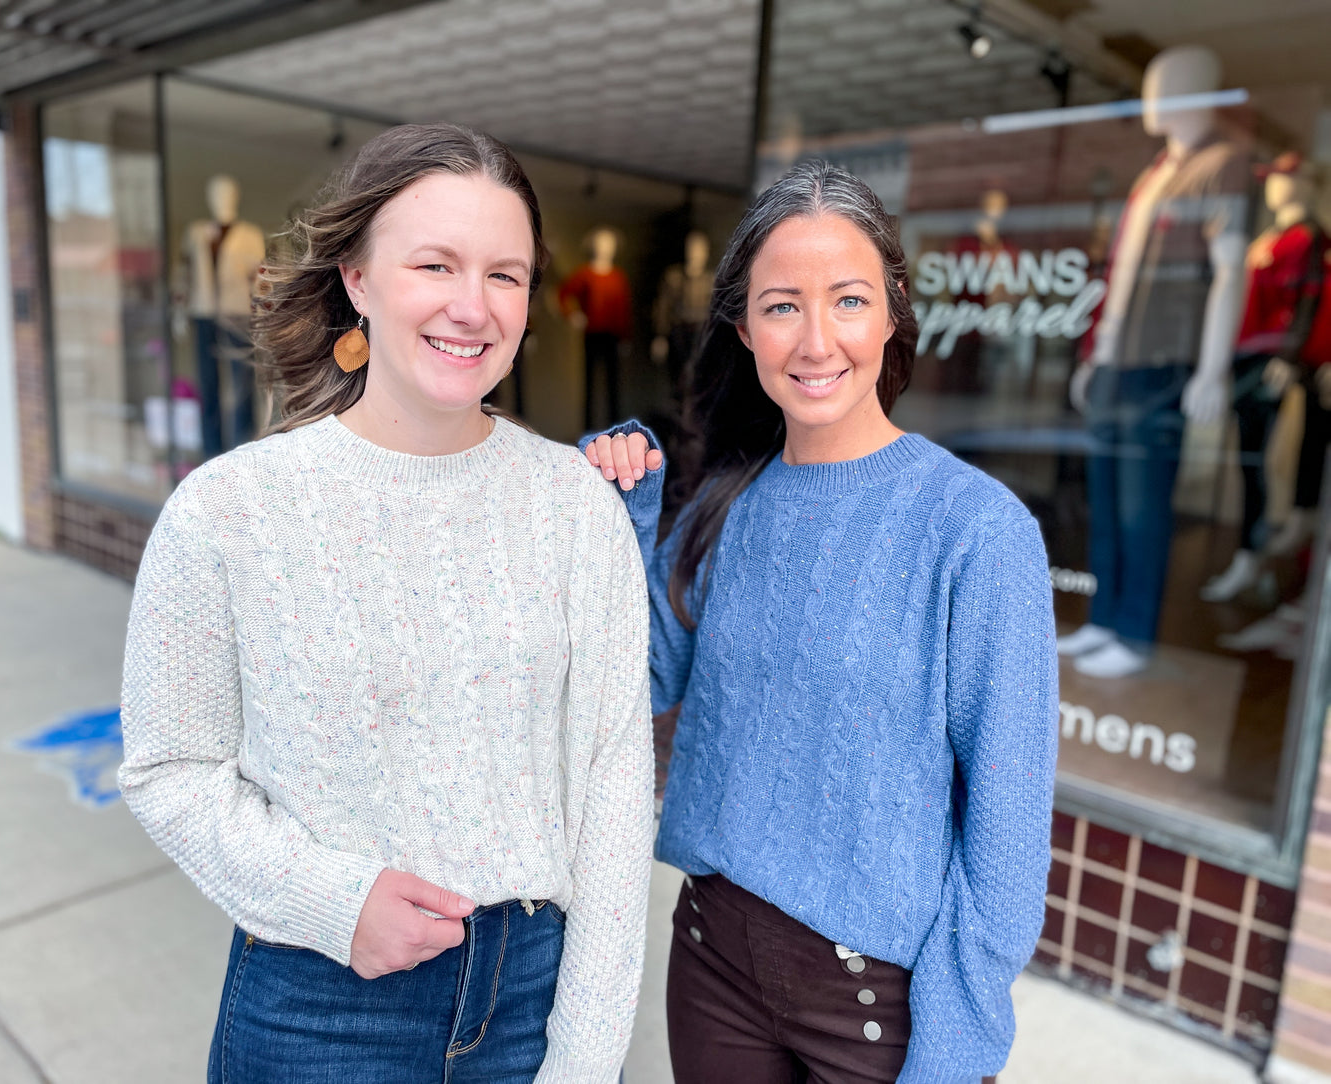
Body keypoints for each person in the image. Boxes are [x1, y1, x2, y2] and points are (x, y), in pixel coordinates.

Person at [119, 123, 654, 1084]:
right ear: (358, 279)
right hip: (316, 1004)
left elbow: (614, 789)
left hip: (532, 997)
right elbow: (169, 768)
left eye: (505, 274)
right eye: (435, 264)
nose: (471, 305)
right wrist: (333, 901)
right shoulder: (230, 510)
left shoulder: (575, 506)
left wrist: (585, 1058)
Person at [584, 160, 1058, 1083]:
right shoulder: (727, 505)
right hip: (711, 957)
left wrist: (956, 1048)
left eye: (846, 300)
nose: (814, 340)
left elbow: (1006, 830)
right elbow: (629, 686)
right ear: (742, 328)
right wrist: (623, 525)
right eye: (779, 306)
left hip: (875, 1006)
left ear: (890, 315)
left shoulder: (975, 530)